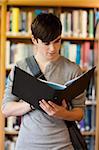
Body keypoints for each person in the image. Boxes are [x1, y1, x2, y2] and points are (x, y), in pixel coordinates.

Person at [2, 13, 86, 150]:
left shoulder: (73, 69)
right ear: (34, 40)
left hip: (62, 145)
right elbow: (6, 109)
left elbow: (80, 112)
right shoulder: (21, 68)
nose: (52, 49)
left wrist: (62, 113)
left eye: (57, 41)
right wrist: (31, 104)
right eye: (46, 43)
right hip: (27, 145)